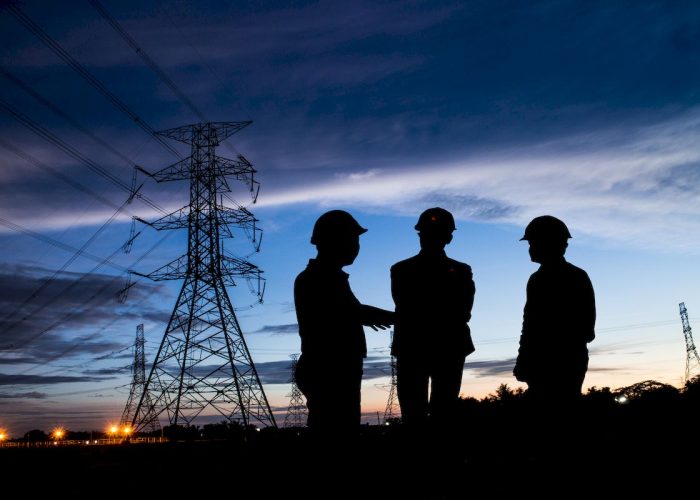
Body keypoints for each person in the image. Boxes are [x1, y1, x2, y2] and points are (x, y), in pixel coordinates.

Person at [294, 210, 394, 435]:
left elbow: (350, 312)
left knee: (338, 429)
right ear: (332, 241)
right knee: (336, 432)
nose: (356, 247)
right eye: (352, 240)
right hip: (329, 368)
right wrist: (398, 317)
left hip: (334, 366)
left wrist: (365, 316)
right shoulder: (318, 278)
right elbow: (349, 312)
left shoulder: (329, 278)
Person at [390, 207, 476, 428]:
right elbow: (462, 312)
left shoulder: (402, 270)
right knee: (427, 414)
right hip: (436, 347)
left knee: (430, 414)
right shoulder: (460, 271)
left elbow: (462, 312)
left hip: (423, 347)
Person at [513, 215, 596, 403]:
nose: (530, 249)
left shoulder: (551, 279)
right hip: (557, 359)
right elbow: (531, 325)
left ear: (548, 244)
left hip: (556, 360)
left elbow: (532, 325)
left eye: (532, 243)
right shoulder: (543, 279)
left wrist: (528, 358)